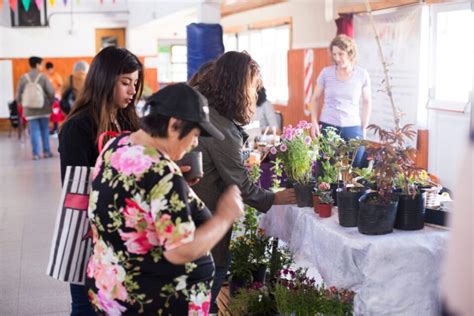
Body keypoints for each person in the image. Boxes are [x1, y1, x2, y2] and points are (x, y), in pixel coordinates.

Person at [86, 83, 244, 315]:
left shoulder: (115, 145)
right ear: (174, 125)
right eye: (195, 134)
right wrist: (224, 217)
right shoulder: (162, 172)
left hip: (111, 291)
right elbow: (179, 251)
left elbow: (127, 204)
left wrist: (174, 189)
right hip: (150, 302)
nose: (195, 143)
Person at [191, 51, 296, 314]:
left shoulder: (210, 113)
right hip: (204, 220)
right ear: (237, 86)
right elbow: (239, 184)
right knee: (212, 276)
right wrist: (275, 197)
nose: (255, 94)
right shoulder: (221, 128)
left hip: (197, 217)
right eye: (252, 87)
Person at [58, 47, 144, 315]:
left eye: (135, 83)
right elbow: (76, 189)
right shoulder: (78, 127)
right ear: (105, 80)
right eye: (125, 82)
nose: (132, 91)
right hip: (89, 234)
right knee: (86, 305)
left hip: (125, 232)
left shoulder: (128, 119)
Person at [310, 34, 372, 167]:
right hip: (328, 124)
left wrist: (364, 128)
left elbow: (367, 101)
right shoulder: (326, 73)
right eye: (334, 54)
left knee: (357, 168)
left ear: (350, 53)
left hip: (353, 125)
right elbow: (315, 99)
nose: (337, 58)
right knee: (326, 169)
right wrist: (314, 122)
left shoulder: (362, 74)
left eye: (341, 54)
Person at [15, 56, 55, 160]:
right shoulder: (43, 77)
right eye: (41, 64)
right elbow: (51, 92)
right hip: (44, 108)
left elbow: (18, 95)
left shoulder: (23, 78)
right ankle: (46, 152)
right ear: (37, 65)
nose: (42, 66)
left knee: (34, 132)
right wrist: (50, 102)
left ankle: (36, 154)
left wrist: (22, 104)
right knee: (45, 130)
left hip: (29, 110)